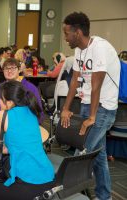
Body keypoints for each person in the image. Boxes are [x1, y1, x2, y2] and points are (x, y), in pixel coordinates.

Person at [61, 12, 120, 200]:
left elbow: (96, 86)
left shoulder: (100, 48)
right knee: (99, 157)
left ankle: (65, 193)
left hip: (103, 109)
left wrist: (92, 118)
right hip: (88, 105)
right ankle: (105, 197)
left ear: (77, 32)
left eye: (66, 33)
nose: (65, 37)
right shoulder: (79, 50)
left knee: (81, 153)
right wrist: (66, 108)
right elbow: (74, 81)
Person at [0, 58, 44, 193]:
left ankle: (5, 172)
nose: (10, 71)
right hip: (1, 128)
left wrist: (6, 123)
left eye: (13, 68)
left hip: (18, 133)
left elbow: (38, 116)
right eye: (6, 68)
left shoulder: (30, 89)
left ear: (19, 70)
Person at [0, 80, 55, 200]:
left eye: (0, 98)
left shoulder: (3, 115)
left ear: (9, 102)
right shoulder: (31, 111)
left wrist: (2, 148)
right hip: (49, 179)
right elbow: (23, 144)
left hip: (29, 184)